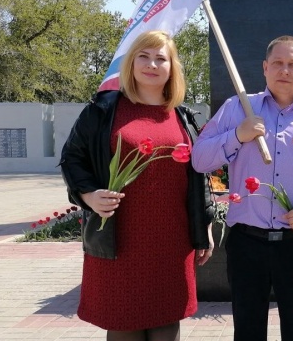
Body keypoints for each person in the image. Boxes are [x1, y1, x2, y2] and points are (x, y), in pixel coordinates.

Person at [191, 35, 293, 341]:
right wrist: (236, 136)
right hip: (246, 243)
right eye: (278, 63)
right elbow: (199, 159)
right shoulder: (236, 108)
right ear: (265, 68)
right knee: (247, 331)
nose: (285, 70)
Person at [60, 30, 212, 341]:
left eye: (161, 58)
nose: (151, 64)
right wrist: (88, 194)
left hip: (172, 243)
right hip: (118, 242)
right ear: (131, 62)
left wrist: (204, 226)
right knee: (123, 324)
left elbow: (198, 177)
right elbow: (72, 158)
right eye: (144, 56)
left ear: (172, 67)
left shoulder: (182, 116)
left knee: (167, 324)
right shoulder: (103, 110)